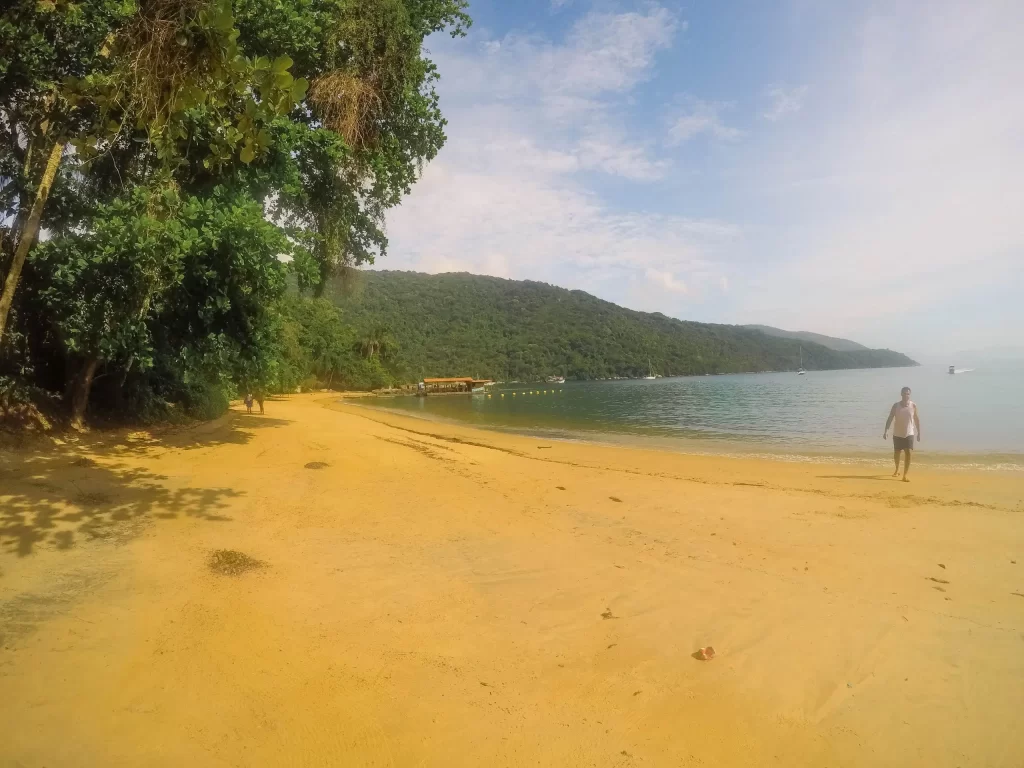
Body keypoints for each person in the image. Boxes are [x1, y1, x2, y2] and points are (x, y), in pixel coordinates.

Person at [884, 386, 920, 482]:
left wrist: (919, 433)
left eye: (907, 394)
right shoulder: (896, 406)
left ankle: (905, 475)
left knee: (908, 453)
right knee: (897, 453)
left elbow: (916, 419)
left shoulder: (913, 406)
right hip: (897, 433)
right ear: (901, 394)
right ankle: (897, 469)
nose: (906, 395)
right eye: (904, 394)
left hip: (909, 433)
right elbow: (890, 417)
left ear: (909, 395)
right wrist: (886, 430)